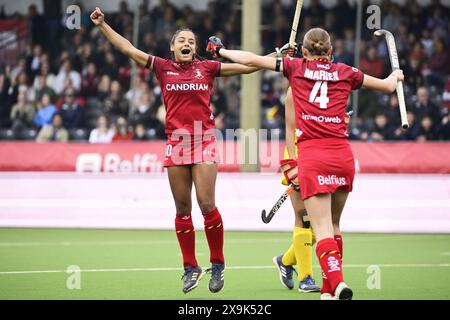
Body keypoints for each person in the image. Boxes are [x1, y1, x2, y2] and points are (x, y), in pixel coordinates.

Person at [209, 27, 404, 300]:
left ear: (304, 51)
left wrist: (220, 51)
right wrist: (396, 76)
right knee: (334, 226)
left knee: (320, 227)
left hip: (313, 156)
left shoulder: (295, 68)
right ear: (331, 51)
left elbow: (251, 60)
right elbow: (386, 85)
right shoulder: (347, 71)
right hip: (342, 156)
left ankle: (336, 282)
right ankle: (327, 290)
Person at [90, 7, 272, 294]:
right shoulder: (162, 67)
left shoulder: (208, 68)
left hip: (203, 140)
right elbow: (128, 49)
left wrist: (277, 58)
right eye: (181, 41)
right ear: (172, 47)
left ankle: (218, 263)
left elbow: (249, 66)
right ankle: (190, 267)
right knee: (182, 208)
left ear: (195, 48)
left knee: (206, 204)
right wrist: (103, 25)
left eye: (191, 41)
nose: (187, 44)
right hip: (176, 143)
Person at [273, 86, 320, 294]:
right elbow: (290, 129)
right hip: (300, 153)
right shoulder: (296, 89)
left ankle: (285, 260)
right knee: (304, 216)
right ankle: (306, 278)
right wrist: (293, 164)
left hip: (324, 153)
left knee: (321, 224)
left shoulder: (332, 83)